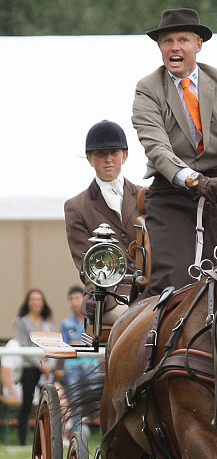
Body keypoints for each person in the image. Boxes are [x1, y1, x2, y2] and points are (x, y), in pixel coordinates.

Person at [132, 8, 217, 295]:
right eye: (167, 41)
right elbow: (156, 147)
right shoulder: (147, 89)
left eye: (183, 40)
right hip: (171, 192)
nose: (174, 48)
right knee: (172, 281)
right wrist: (193, 180)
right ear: (160, 48)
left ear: (198, 45)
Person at [64, 120, 142, 323]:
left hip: (149, 291)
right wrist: (104, 295)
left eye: (114, 152)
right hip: (108, 297)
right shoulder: (77, 206)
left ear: (124, 155)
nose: (108, 159)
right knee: (139, 320)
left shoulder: (145, 196)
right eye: (100, 154)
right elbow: (86, 263)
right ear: (90, 158)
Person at [55, 285, 99, 436]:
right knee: (75, 398)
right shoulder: (66, 323)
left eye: (77, 298)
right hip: (72, 365)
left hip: (91, 364)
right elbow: (65, 346)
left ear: (84, 300)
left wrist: (78, 344)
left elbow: (95, 343)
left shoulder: (93, 321)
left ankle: (101, 431)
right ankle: (77, 433)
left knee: (97, 397)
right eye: (71, 299)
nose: (74, 302)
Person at [14, 289, 55, 445]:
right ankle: (22, 440)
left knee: (48, 403)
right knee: (27, 403)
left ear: (43, 302)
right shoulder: (22, 321)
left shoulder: (48, 323)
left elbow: (53, 345)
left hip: (47, 369)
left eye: (39, 299)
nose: (36, 302)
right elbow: (24, 347)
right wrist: (40, 364)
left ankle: (46, 440)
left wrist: (49, 365)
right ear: (28, 302)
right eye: (33, 299)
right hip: (30, 367)